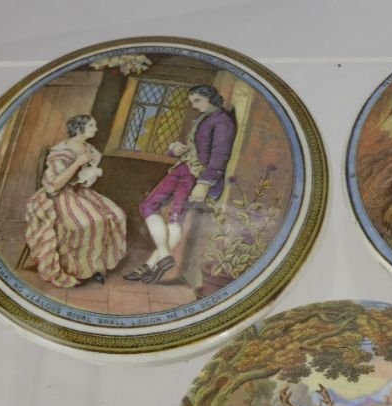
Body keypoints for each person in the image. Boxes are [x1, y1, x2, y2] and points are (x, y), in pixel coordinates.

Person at [124, 84, 237, 285]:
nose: (194, 105)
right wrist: (175, 148)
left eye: (197, 100)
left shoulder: (223, 122)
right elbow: (190, 145)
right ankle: (165, 256)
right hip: (181, 168)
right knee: (148, 206)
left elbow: (220, 157)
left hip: (196, 175)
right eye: (192, 102)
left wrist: (204, 183)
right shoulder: (203, 118)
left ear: (210, 98)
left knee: (175, 216)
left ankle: (150, 264)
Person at [25, 115, 127, 288]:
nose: (96, 129)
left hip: (79, 191)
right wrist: (77, 163)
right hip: (58, 195)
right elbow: (53, 185)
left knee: (117, 215)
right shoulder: (62, 151)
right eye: (92, 126)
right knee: (87, 222)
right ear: (79, 129)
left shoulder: (89, 148)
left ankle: (96, 266)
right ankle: (77, 269)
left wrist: (89, 175)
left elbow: (82, 179)